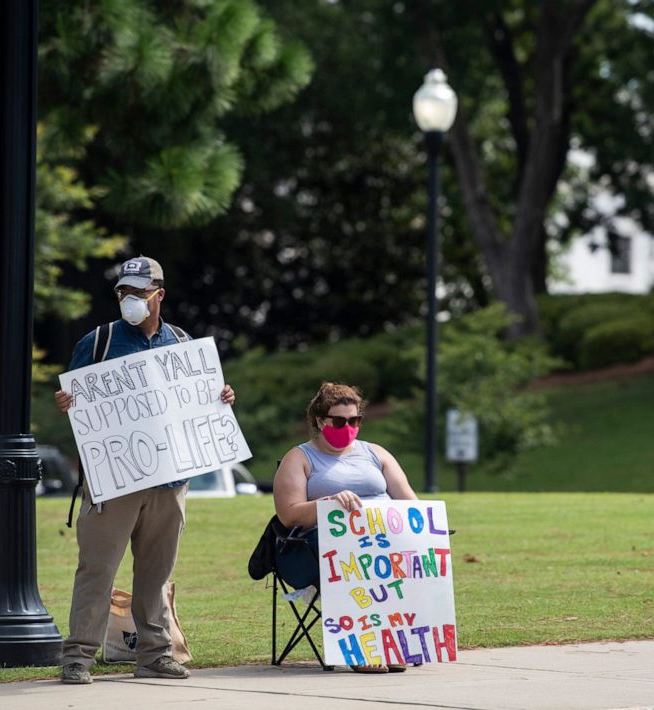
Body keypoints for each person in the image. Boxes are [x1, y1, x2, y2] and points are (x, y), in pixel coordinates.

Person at [53, 255, 235, 685]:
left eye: (138, 292)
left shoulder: (181, 342)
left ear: (159, 295)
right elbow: (80, 406)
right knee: (97, 569)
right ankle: (78, 657)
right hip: (114, 480)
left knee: (156, 573)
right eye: (123, 292)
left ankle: (155, 654)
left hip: (170, 480)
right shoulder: (97, 342)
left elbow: (201, 400)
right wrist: (67, 405)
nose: (130, 299)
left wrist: (222, 396)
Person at [272, 381, 417, 673]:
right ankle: (364, 646)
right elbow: (288, 516)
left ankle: (392, 641)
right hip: (323, 547)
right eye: (339, 421)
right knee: (356, 555)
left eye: (355, 420)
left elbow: (409, 501)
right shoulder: (299, 458)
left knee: (401, 550)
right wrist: (329, 503)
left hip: (384, 539)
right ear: (319, 420)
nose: (348, 426)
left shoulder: (376, 453)